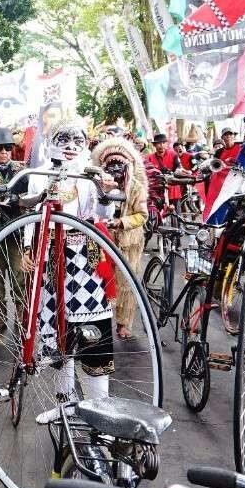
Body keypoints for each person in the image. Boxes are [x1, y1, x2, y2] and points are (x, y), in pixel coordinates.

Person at [20, 119, 118, 423]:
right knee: (58, 334)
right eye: (64, 140)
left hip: (86, 261)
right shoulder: (41, 175)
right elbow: (32, 215)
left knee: (93, 335)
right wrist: (27, 249)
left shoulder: (91, 175)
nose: (72, 146)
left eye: (78, 141)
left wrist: (105, 190)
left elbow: (104, 213)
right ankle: (65, 405)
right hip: (50, 257)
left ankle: (99, 411)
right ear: (52, 143)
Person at [93, 136, 149, 340]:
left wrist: (122, 222)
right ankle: (99, 318)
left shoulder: (135, 187)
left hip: (128, 242)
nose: (115, 168)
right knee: (101, 279)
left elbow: (143, 215)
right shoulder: (97, 184)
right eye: (111, 164)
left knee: (126, 283)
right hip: (103, 239)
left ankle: (124, 323)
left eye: (120, 164)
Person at [0, 126, 28, 329]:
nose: (4, 152)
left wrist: (15, 200)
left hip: (17, 231)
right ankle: (0, 316)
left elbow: (30, 196)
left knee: (20, 274)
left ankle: (21, 316)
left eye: (8, 148)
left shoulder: (22, 170)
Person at [146, 133, 182, 207]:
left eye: (163, 143)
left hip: (173, 189)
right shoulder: (149, 158)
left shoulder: (174, 155)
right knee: (157, 214)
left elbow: (179, 167)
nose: (161, 145)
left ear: (166, 144)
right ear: (154, 145)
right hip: (157, 191)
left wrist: (175, 172)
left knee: (178, 214)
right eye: (159, 143)